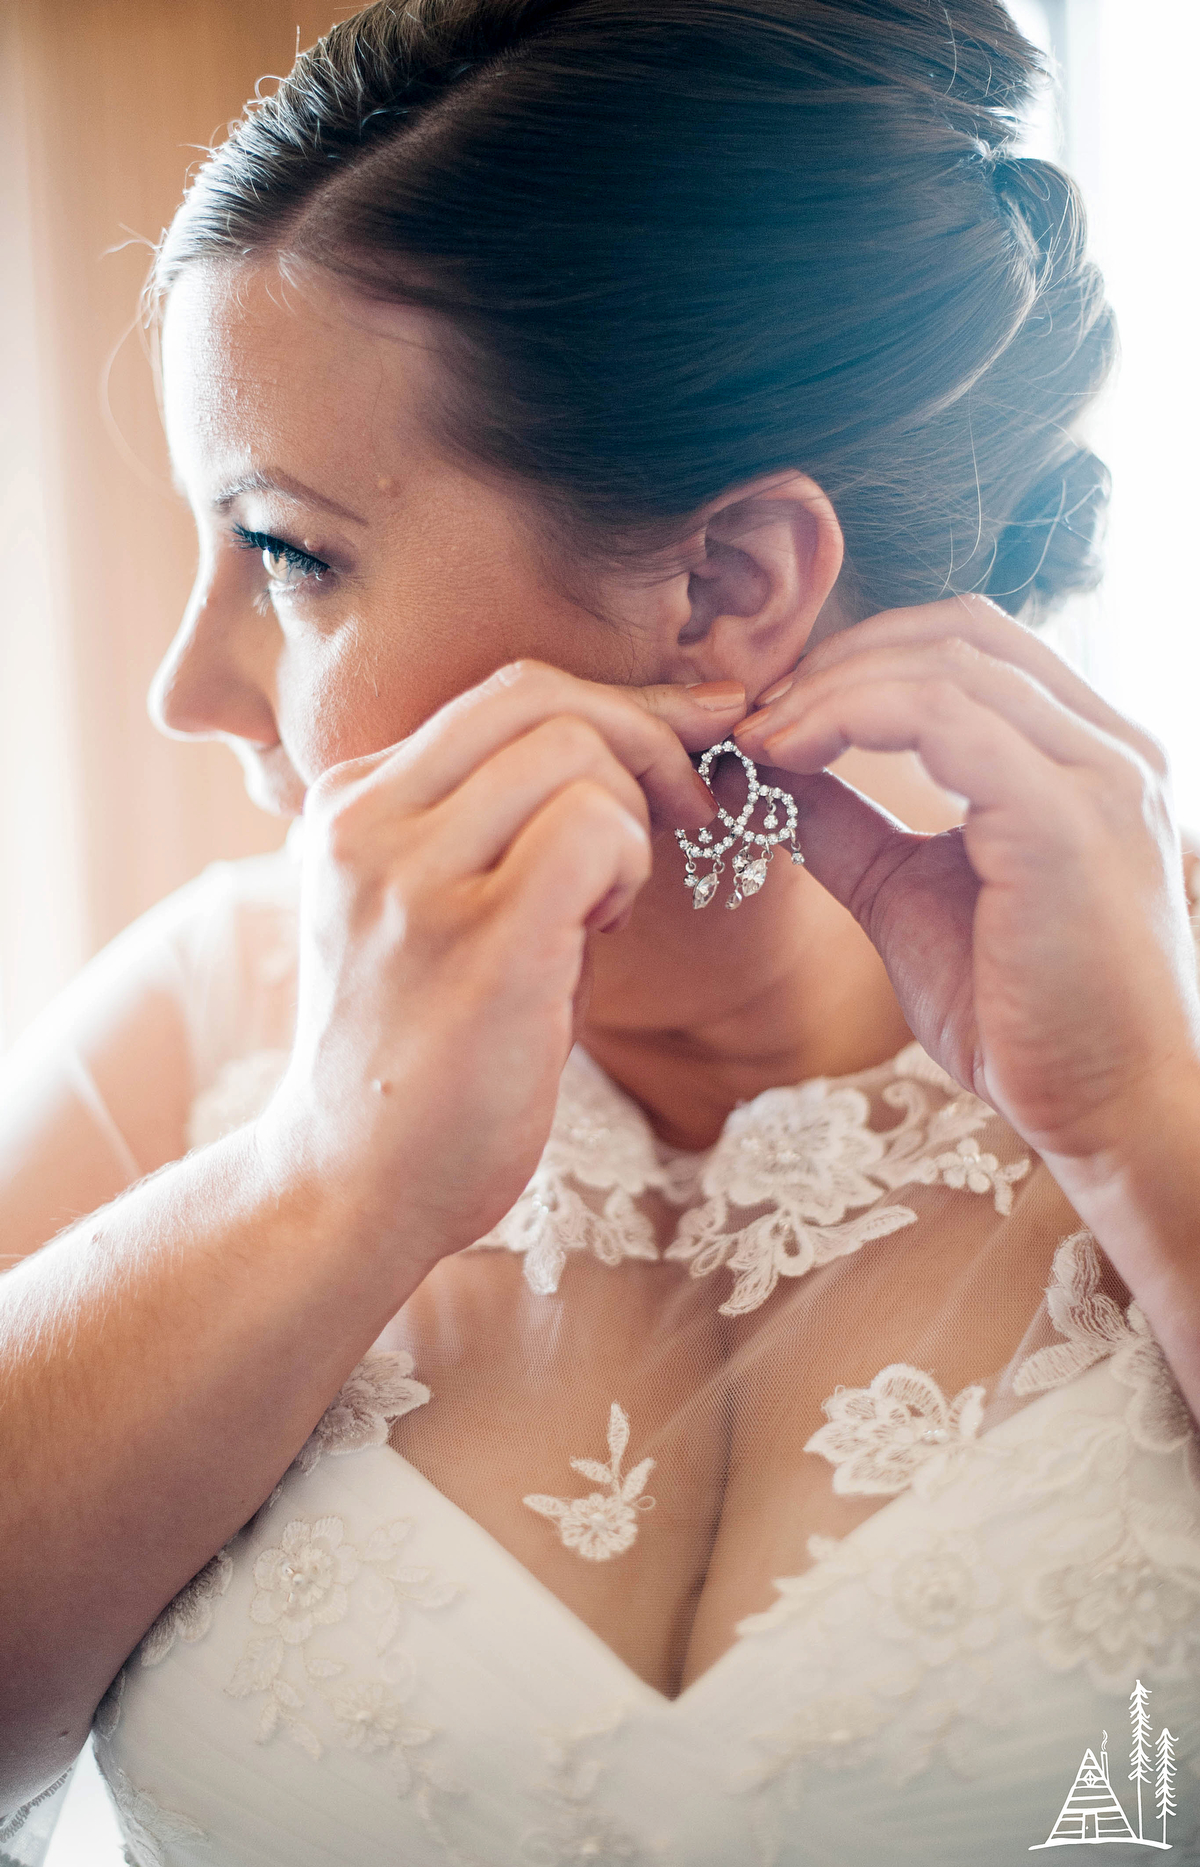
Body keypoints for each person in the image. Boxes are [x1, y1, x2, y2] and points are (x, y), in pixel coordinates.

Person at [2, 1, 1198, 1861]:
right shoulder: (183, 1031)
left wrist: (1146, 1125)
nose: (183, 688)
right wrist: (328, 1171)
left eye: (290, 556)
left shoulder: (1169, 1014)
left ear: (723, 587)